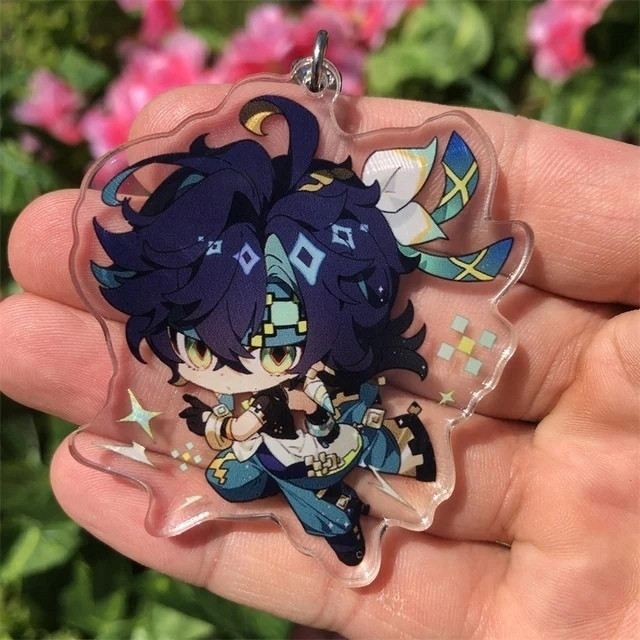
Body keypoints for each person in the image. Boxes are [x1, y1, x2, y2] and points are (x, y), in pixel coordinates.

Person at [1, 85, 638, 637]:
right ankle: (350, 489)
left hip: (326, 441)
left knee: (321, 479)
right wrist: (242, 424)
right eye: (198, 347)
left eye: (276, 345)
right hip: (273, 453)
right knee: (232, 477)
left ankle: (371, 477)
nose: (236, 365)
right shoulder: (226, 389)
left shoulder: (323, 374)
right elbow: (219, 424)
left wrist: (316, 404)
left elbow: (331, 401)